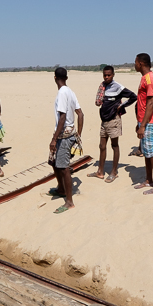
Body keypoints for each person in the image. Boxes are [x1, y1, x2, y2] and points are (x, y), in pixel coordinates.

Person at [88, 65, 137, 183]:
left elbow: (133, 96)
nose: (106, 77)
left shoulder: (118, 87)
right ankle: (100, 171)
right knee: (102, 146)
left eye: (109, 75)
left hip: (114, 120)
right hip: (104, 121)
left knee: (114, 146)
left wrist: (121, 106)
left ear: (113, 75)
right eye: (104, 75)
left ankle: (114, 172)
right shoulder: (103, 86)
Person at [49, 67, 83, 213]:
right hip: (70, 133)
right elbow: (80, 114)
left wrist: (54, 139)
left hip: (63, 135)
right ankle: (61, 188)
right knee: (53, 162)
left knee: (64, 168)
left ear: (54, 77)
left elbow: (62, 117)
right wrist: (78, 135)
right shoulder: (70, 91)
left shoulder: (63, 92)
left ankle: (69, 202)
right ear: (66, 78)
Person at [133, 53, 153, 195]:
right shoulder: (145, 78)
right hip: (143, 120)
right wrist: (139, 122)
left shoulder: (150, 79)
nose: (134, 64)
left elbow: (150, 103)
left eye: (135, 62)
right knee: (146, 152)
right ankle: (148, 180)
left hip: (149, 121)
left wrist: (144, 125)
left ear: (140, 63)